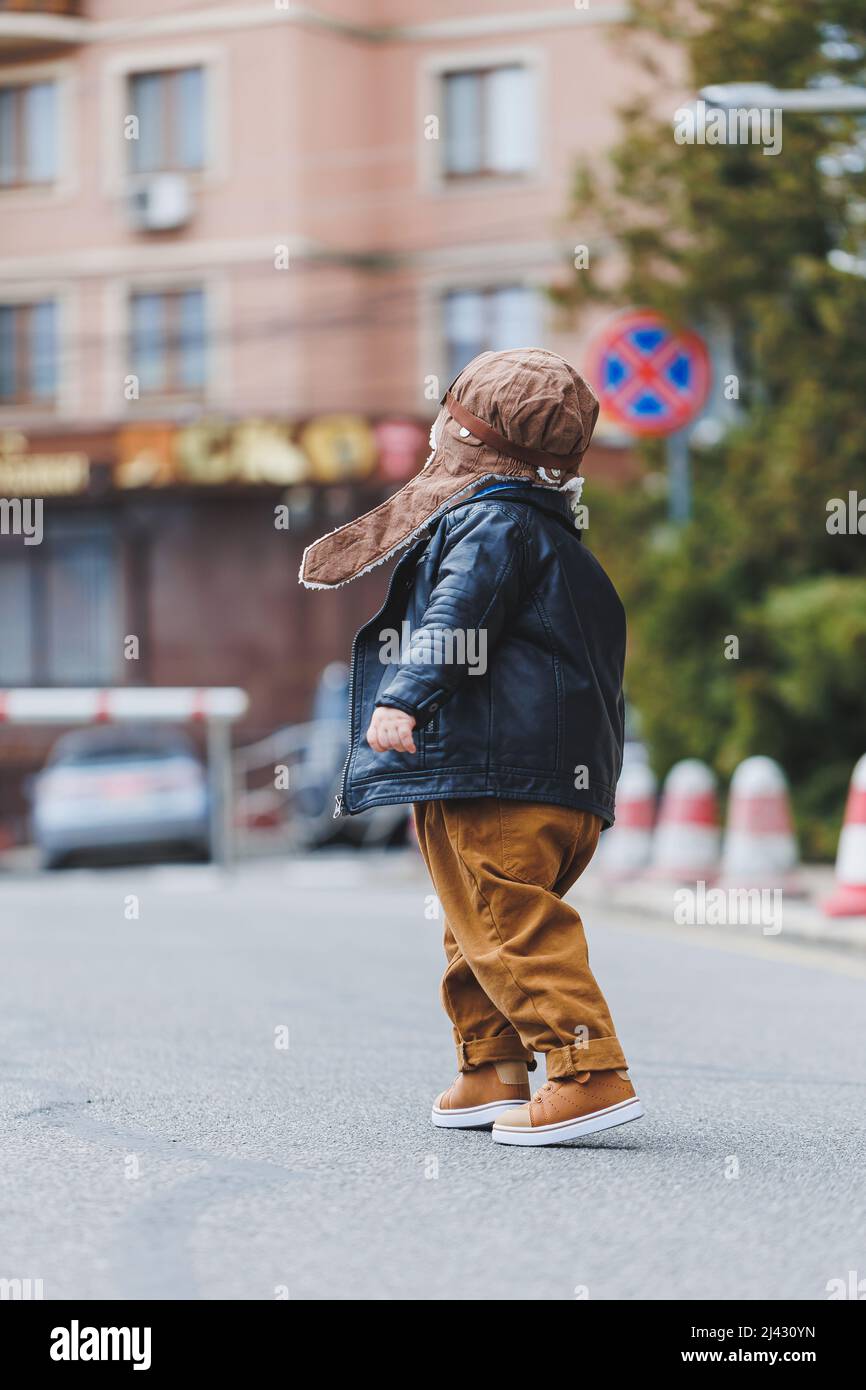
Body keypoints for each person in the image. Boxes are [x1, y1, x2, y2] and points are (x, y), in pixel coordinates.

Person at [299, 348, 642, 1146]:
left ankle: (589, 1073)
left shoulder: (490, 521)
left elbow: (456, 615)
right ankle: (491, 1067)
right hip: (553, 779)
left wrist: (403, 696)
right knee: (476, 923)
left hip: (500, 774)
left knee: (505, 920)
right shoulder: (554, 536)